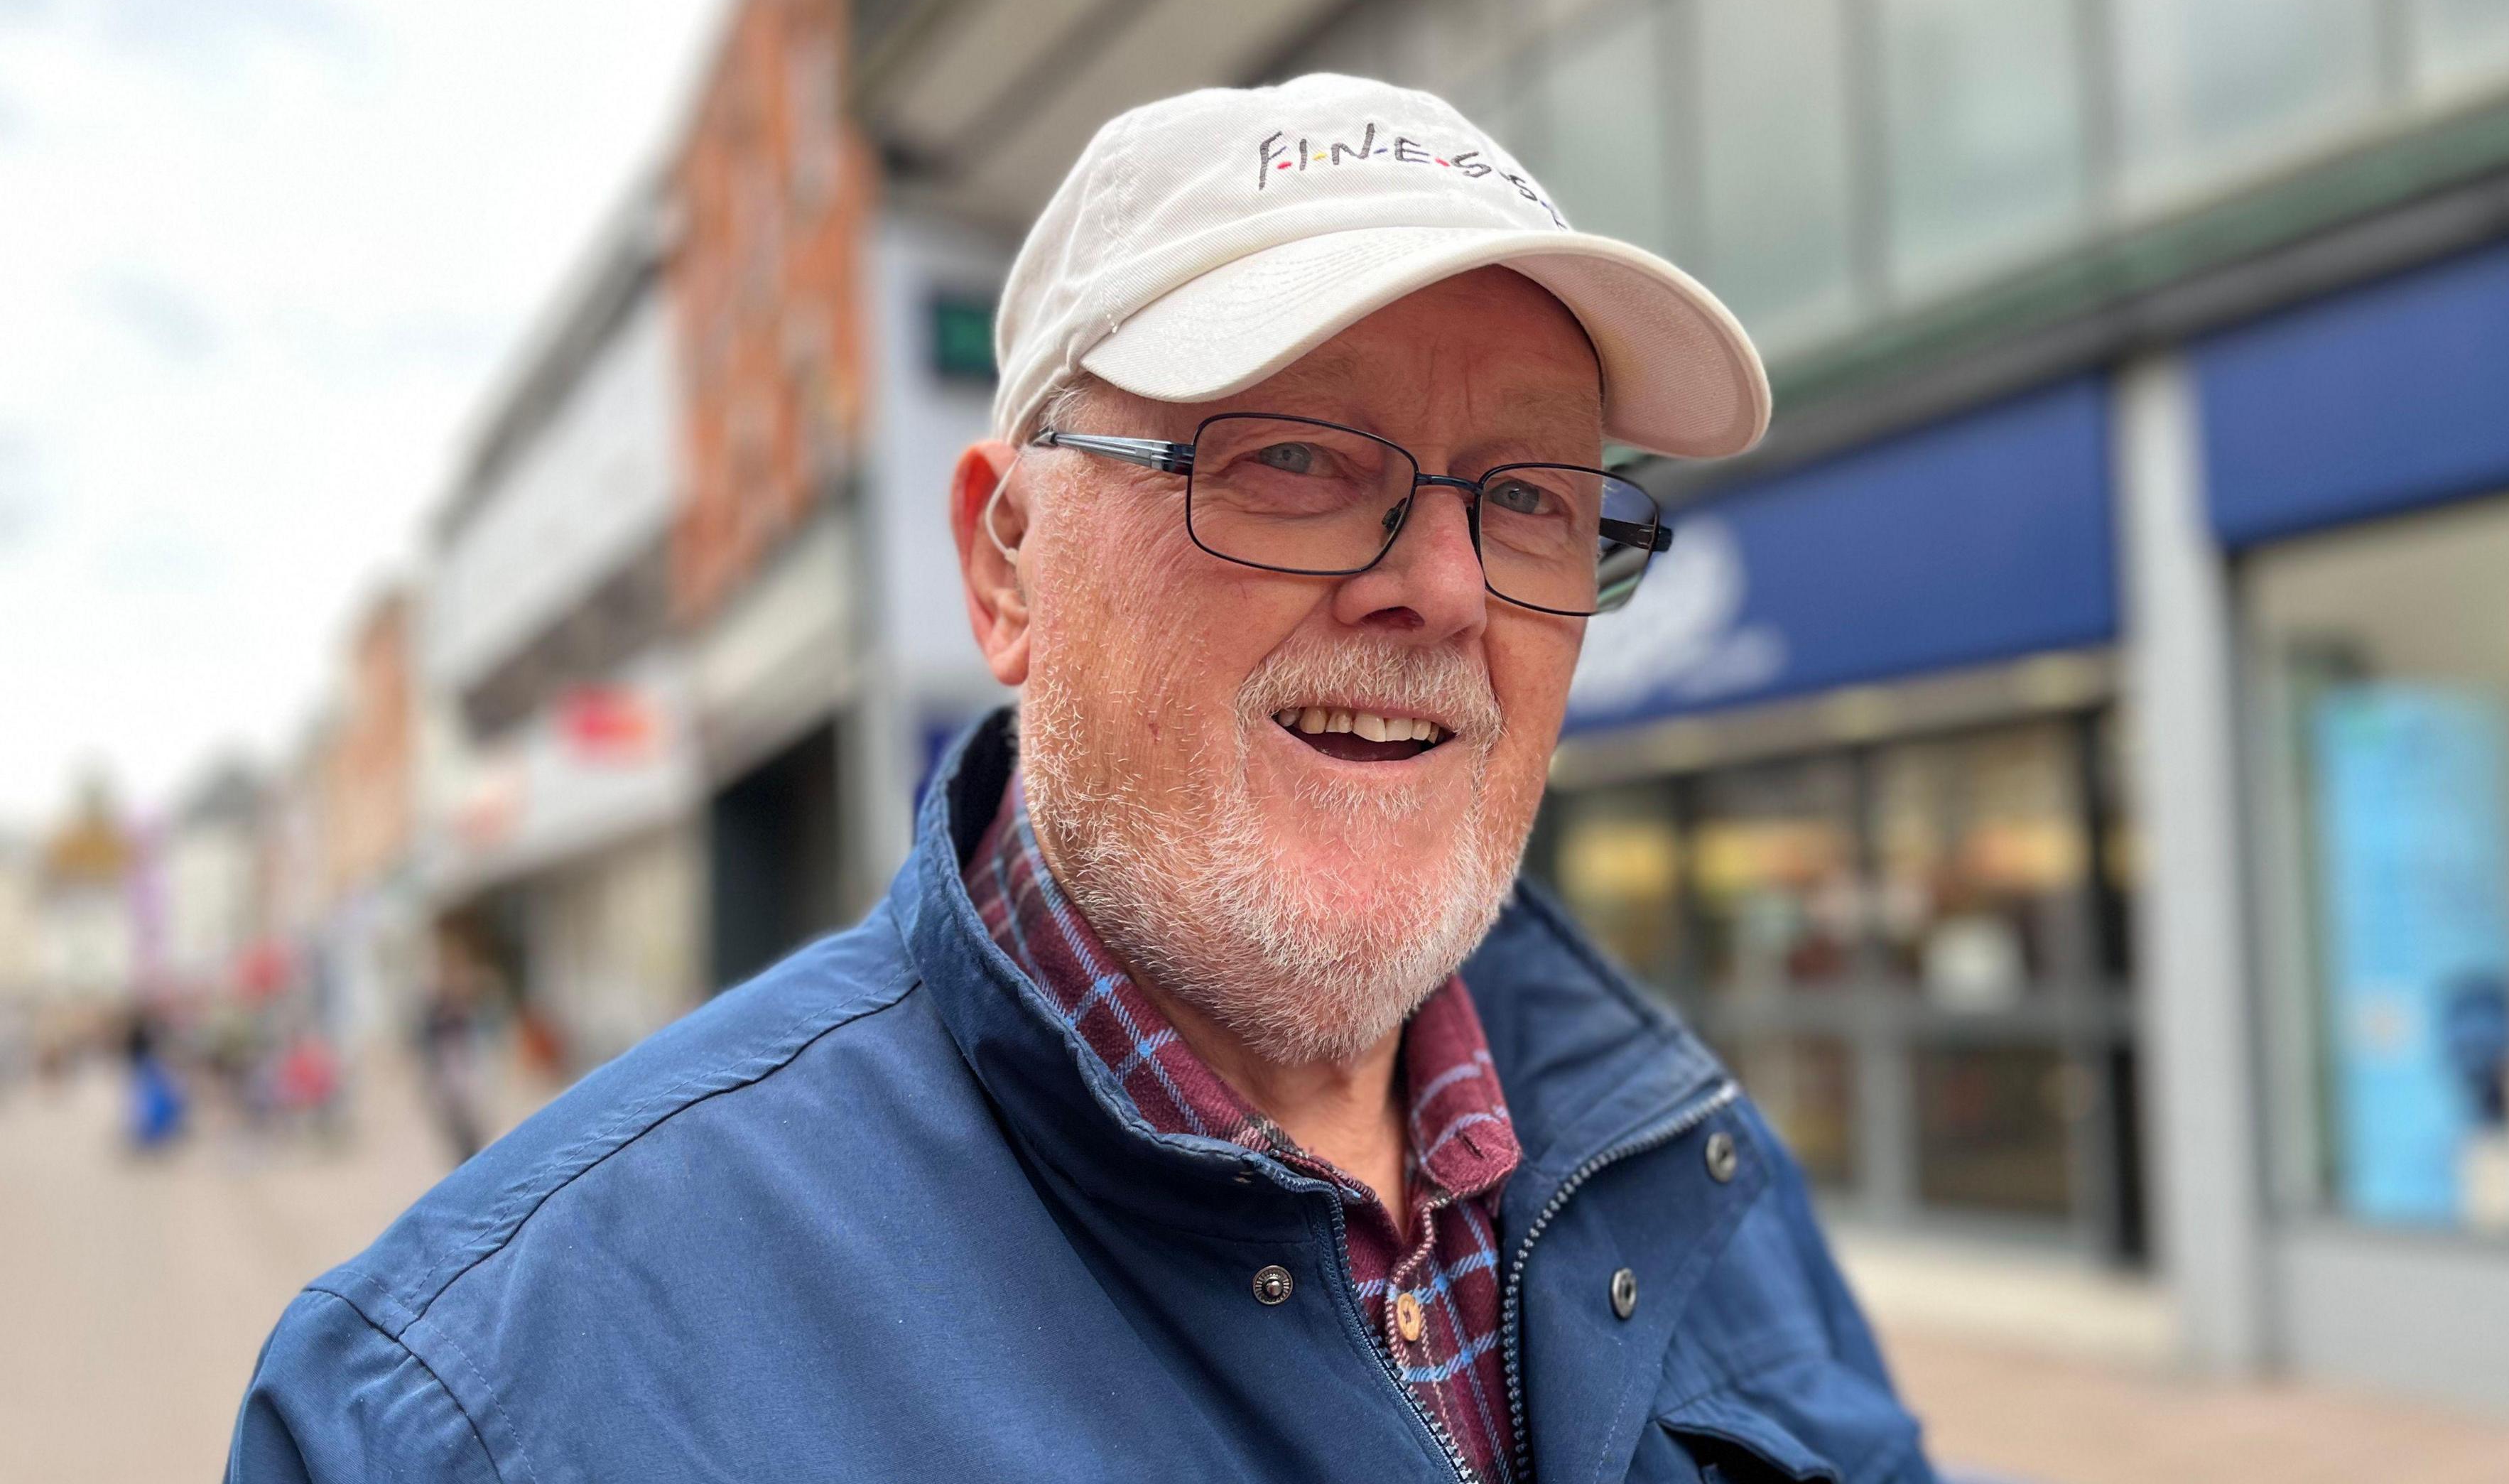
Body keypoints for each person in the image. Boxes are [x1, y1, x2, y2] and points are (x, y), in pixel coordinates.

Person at [228, 75, 1934, 1483]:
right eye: (1291, 458)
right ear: (1006, 567)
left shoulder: (1683, 1162)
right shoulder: (476, 1405)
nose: (1448, 588)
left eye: (1536, 496)